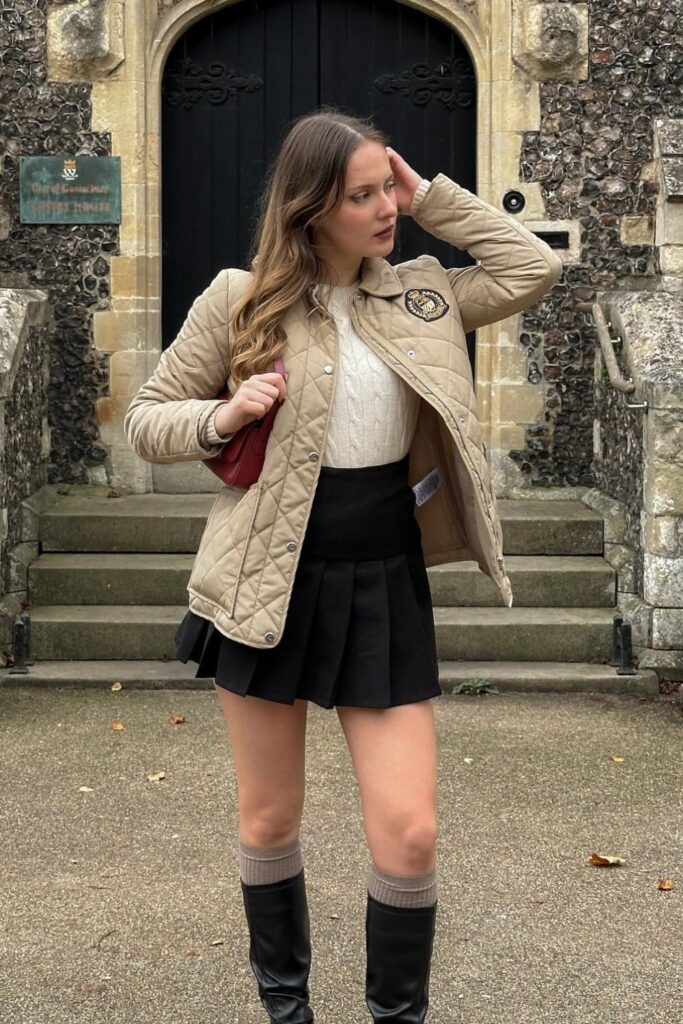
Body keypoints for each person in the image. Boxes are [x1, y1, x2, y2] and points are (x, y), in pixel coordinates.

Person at [125, 107, 563, 1023]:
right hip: (264, 581)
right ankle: (287, 1009)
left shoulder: (424, 294)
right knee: (269, 818)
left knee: (409, 832)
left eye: (385, 189)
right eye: (361, 195)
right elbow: (147, 419)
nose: (383, 209)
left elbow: (531, 266)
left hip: (382, 576)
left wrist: (430, 195)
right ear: (311, 207)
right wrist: (223, 414)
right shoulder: (240, 299)